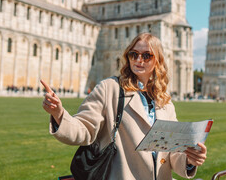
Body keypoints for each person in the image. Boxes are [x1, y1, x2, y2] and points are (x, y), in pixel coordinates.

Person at [41, 33, 207, 180]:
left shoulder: (165, 102)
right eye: (134, 54)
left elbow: (171, 152)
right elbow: (84, 130)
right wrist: (59, 114)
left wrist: (190, 160)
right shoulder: (110, 89)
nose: (139, 60)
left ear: (157, 61)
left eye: (146, 56)